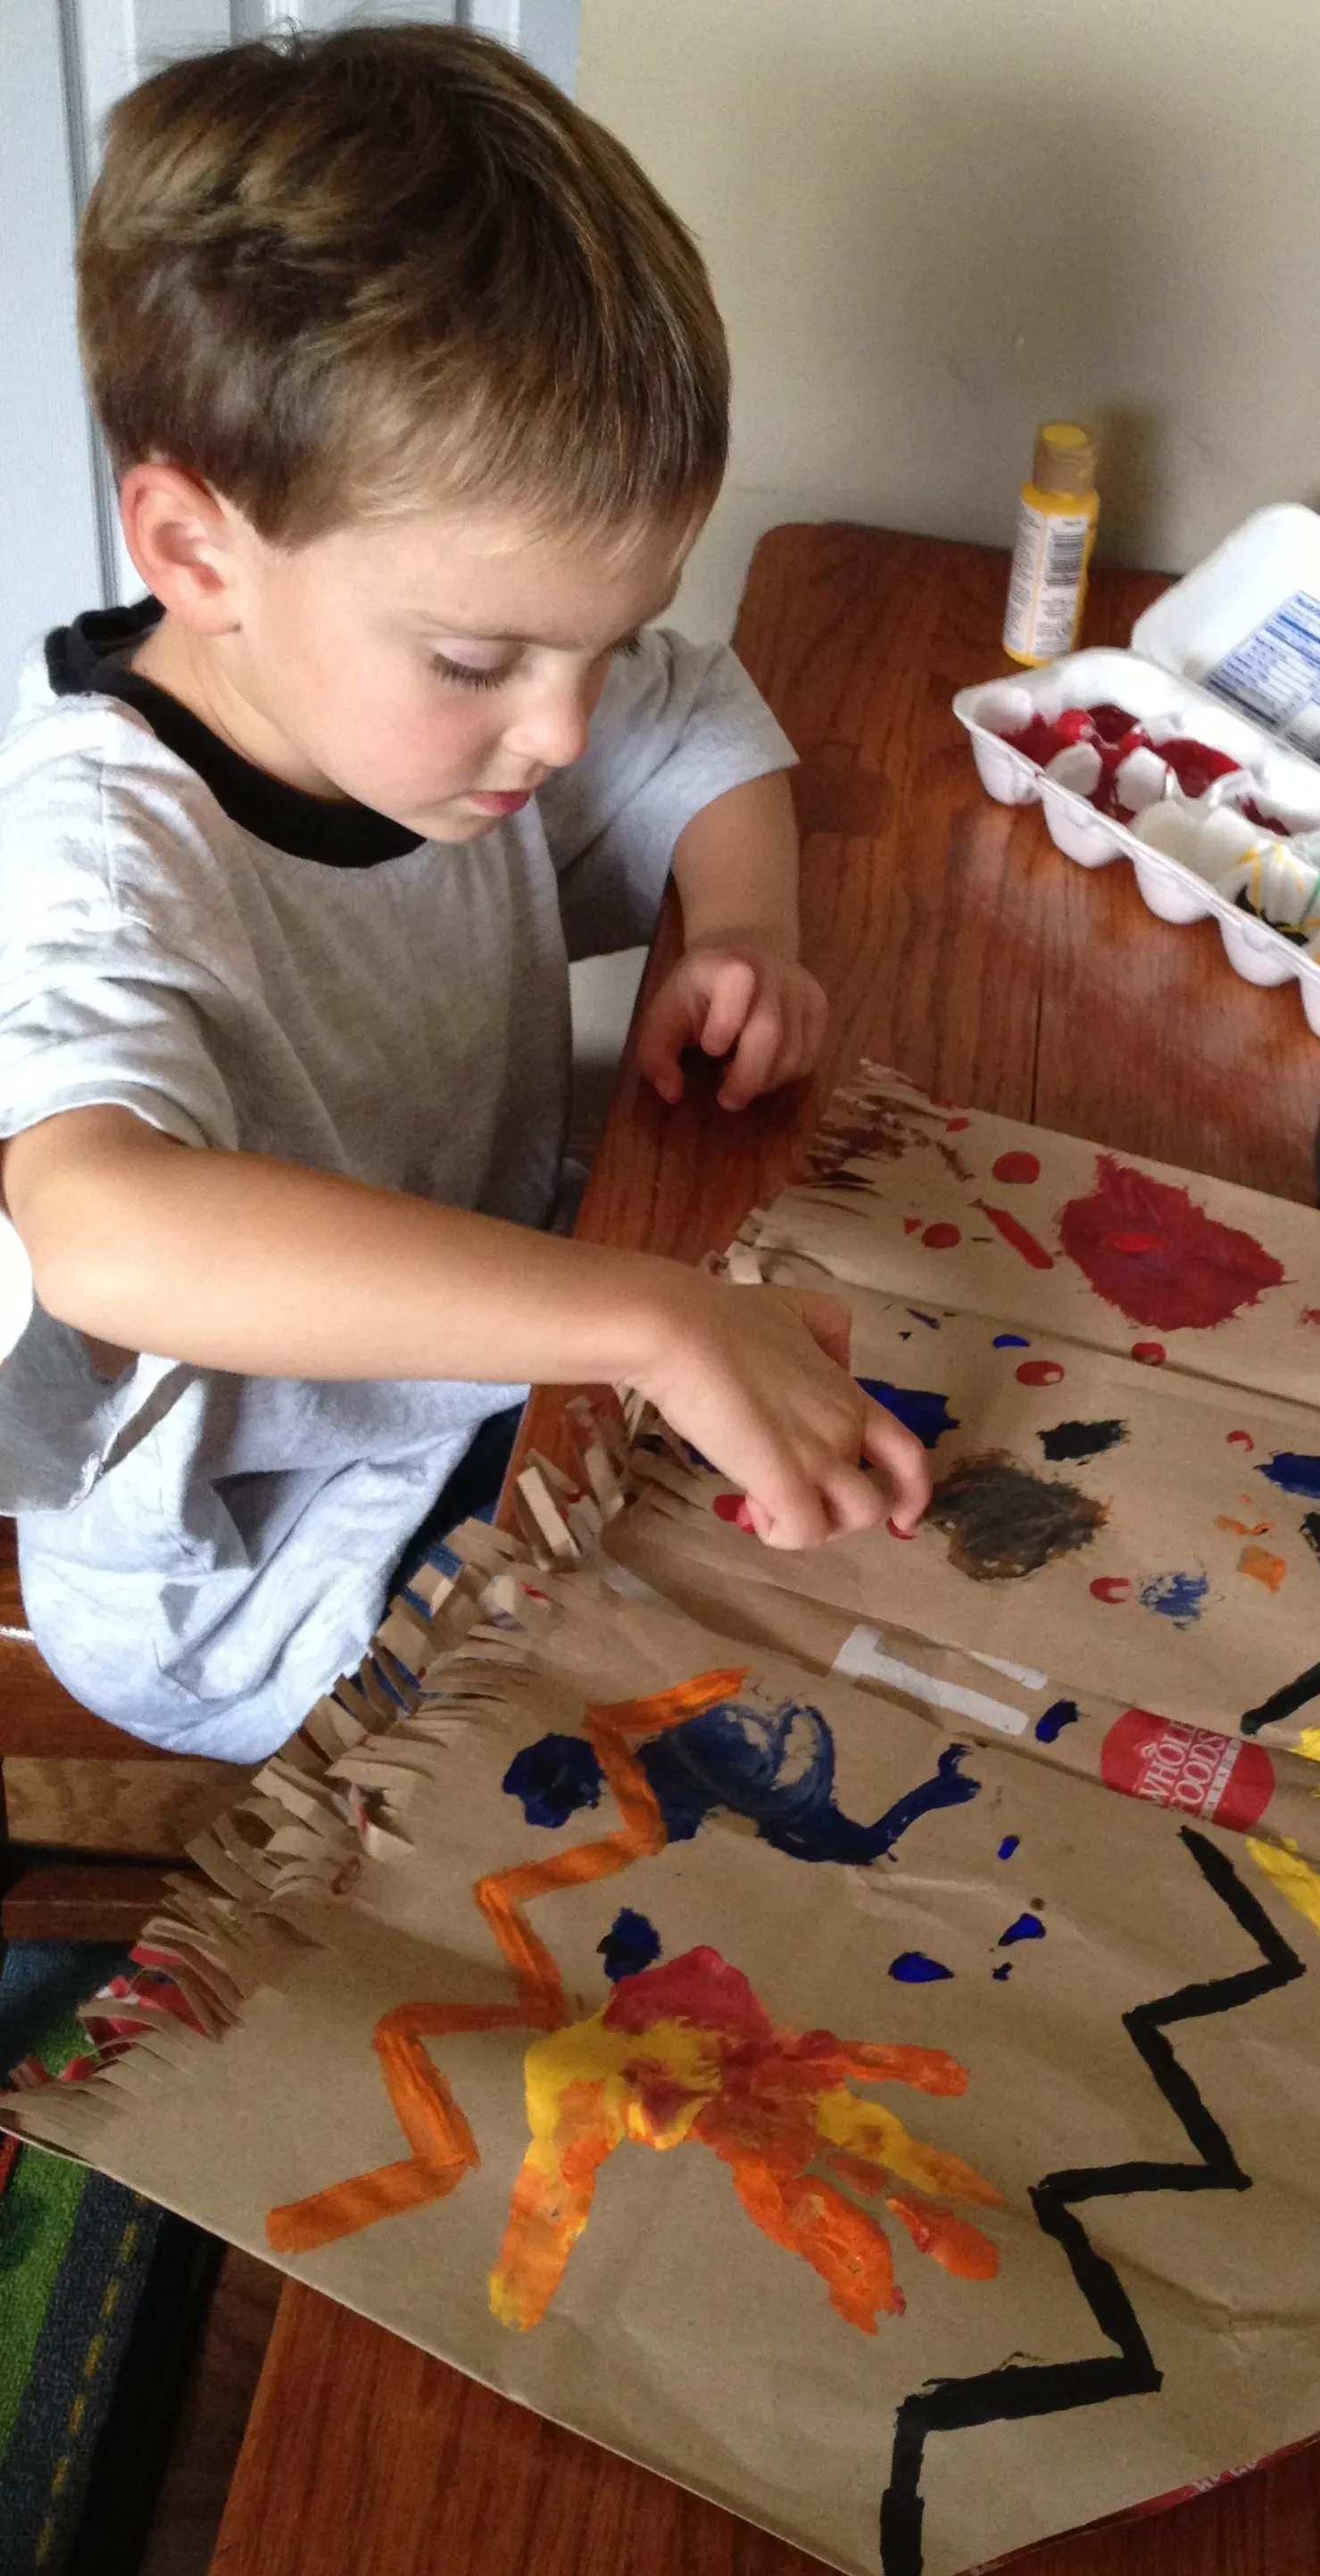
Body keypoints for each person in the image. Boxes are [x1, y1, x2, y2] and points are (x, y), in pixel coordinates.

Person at [0, 25, 928, 1766]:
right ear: (198, 552)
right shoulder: (108, 861)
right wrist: (643, 1317)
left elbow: (695, 715)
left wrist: (743, 930)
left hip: (499, 1353)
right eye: (482, 656)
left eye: (590, 639)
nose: (559, 724)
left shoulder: (438, 707)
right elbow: (108, 1229)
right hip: (253, 1546)